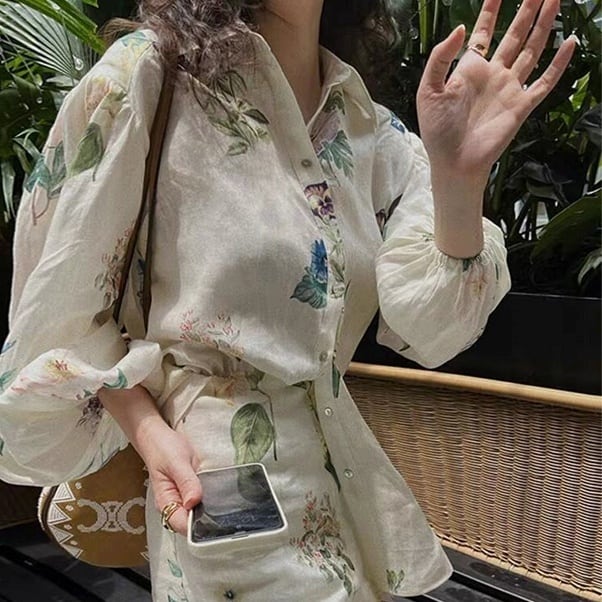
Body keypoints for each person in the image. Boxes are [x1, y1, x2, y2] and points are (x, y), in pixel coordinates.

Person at [0, 0, 574, 600]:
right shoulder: (150, 74)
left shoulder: (367, 127)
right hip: (216, 485)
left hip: (345, 498)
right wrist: (147, 430)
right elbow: (58, 309)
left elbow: (430, 327)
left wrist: (459, 181)